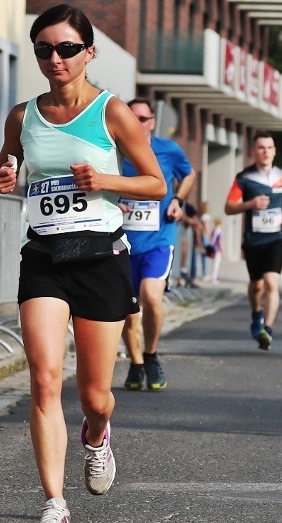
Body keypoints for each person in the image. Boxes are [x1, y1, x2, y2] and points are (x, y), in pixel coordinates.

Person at [0, 4, 165, 523]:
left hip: (100, 258)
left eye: (66, 48)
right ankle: (54, 504)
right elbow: (10, 168)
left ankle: (97, 434)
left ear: (89, 52)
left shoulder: (114, 113)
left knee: (95, 396)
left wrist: (107, 180)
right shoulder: (23, 116)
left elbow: (155, 183)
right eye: (44, 49)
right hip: (43, 256)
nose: (55, 58)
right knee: (43, 379)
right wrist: (2, 177)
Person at [119, 98, 196, 392]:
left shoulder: (168, 149)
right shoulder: (115, 149)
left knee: (151, 296)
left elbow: (188, 174)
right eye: (133, 118)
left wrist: (178, 200)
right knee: (128, 307)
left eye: (143, 119)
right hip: (124, 241)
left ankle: (150, 355)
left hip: (159, 238)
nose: (138, 123)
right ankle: (136, 365)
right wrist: (116, 202)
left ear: (152, 121)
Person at [224, 131, 282, 351]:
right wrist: (250, 204)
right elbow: (229, 207)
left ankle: (268, 330)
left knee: (272, 283)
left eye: (269, 147)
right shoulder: (244, 177)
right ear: (254, 151)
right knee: (256, 285)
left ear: (275, 151)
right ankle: (256, 314)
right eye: (261, 148)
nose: (265, 152)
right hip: (254, 240)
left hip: (277, 238)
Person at [207, 217, 223, 283]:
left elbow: (210, 237)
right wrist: (222, 250)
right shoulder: (219, 231)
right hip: (217, 249)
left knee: (213, 264)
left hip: (213, 248)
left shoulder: (214, 230)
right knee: (216, 264)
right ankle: (214, 278)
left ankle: (212, 277)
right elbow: (220, 241)